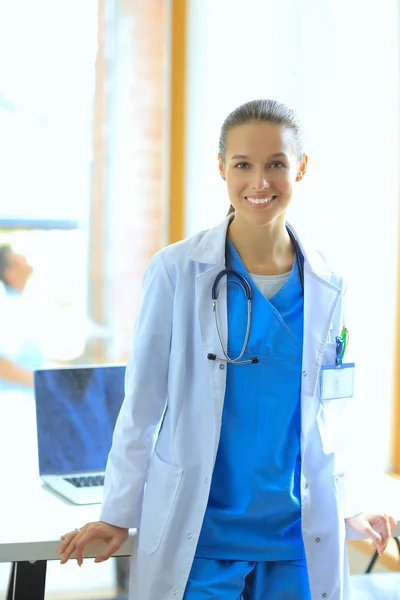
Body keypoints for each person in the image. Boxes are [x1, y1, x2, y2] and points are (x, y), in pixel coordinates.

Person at [58, 99, 395, 600]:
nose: (260, 182)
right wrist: (116, 514)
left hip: (294, 538)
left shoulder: (327, 282)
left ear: (301, 168)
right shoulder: (177, 271)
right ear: (222, 169)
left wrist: (349, 505)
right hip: (202, 534)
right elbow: (143, 404)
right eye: (243, 165)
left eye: (276, 164)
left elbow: (332, 410)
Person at [0, 245, 44, 393]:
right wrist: (44, 382)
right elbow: (2, 365)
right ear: (9, 273)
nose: (23, 257)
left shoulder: (20, 304)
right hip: (14, 403)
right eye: (16, 257)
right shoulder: (8, 308)